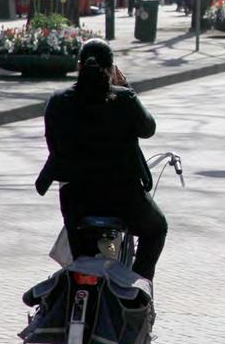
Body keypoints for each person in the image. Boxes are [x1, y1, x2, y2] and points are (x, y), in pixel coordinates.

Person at [34, 39, 166, 281]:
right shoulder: (123, 98)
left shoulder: (58, 100)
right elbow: (148, 128)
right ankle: (138, 291)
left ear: (78, 66)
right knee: (157, 229)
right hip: (124, 199)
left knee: (80, 262)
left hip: (76, 201)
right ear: (112, 69)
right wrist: (125, 86)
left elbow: (53, 145)